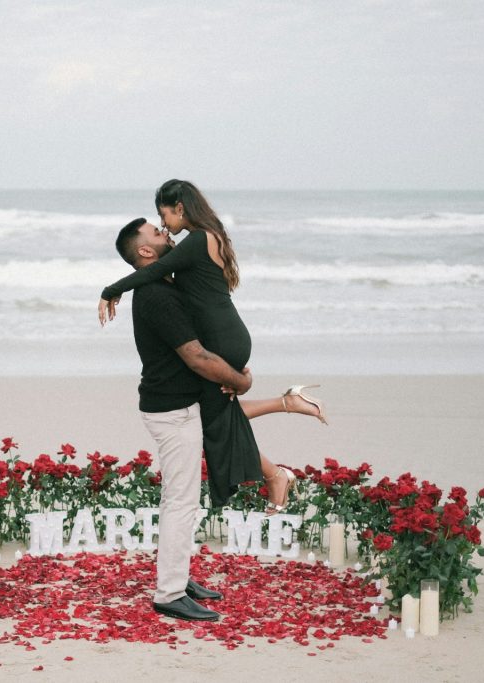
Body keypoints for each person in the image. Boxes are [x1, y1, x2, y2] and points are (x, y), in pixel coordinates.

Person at [100, 180, 327, 513]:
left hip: (222, 340)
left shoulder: (197, 240)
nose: (163, 226)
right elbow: (154, 271)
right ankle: (286, 411)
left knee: (212, 420)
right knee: (212, 418)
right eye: (158, 225)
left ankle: (278, 462)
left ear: (180, 208)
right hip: (226, 335)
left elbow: (155, 270)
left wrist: (111, 289)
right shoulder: (203, 238)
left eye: (163, 216)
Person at [117, 217, 252, 622]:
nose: (168, 234)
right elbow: (197, 357)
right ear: (145, 251)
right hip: (171, 412)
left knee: (178, 499)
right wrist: (240, 381)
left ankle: (178, 576)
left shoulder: (163, 285)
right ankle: (170, 593)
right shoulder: (158, 295)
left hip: (172, 407)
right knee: (181, 502)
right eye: (158, 234)